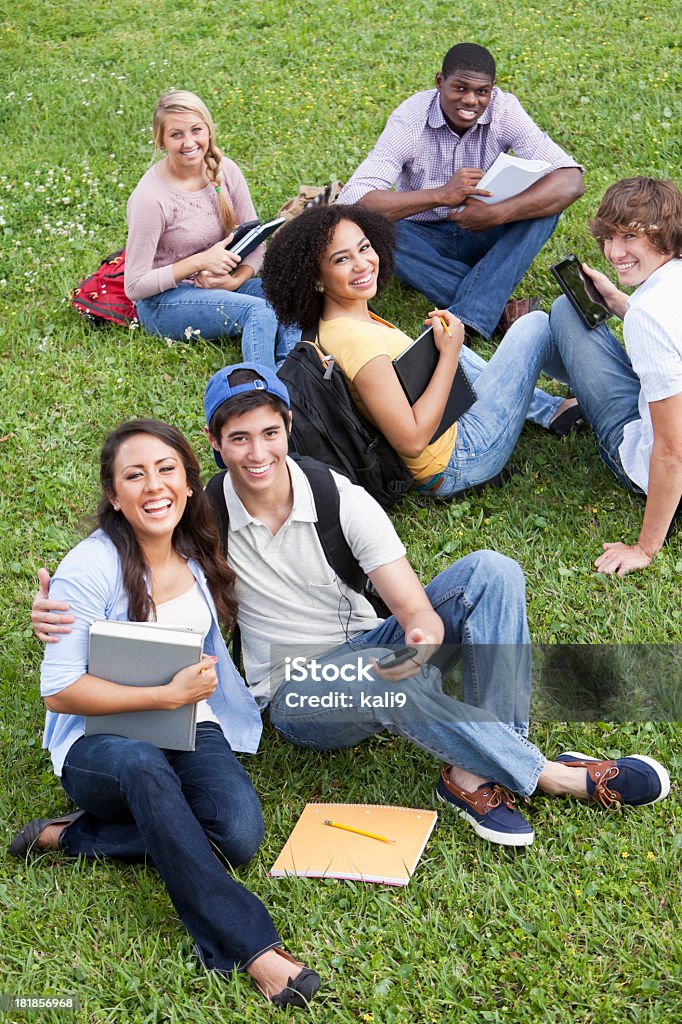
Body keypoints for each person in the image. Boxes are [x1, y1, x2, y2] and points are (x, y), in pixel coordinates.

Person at [31, 373, 670, 849]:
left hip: (373, 643)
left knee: (492, 571)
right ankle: (556, 777)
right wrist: (55, 607)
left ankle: (476, 772)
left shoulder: (342, 499)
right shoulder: (200, 511)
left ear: (288, 427)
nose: (257, 453)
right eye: (238, 439)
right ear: (215, 444)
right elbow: (123, 556)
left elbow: (416, 611)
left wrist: (419, 642)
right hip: (294, 691)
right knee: (368, 677)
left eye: (270, 433)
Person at [11, 420, 320, 1010]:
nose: (154, 487)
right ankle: (250, 946)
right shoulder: (91, 567)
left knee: (237, 832)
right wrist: (163, 697)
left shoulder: (199, 545)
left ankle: (75, 837)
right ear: (114, 495)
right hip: (101, 745)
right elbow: (61, 692)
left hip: (188, 725)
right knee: (145, 768)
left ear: (188, 482)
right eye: (135, 475)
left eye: (167, 470)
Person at [262, 202, 582, 498]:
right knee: (534, 326)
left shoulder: (334, 320)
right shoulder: (358, 342)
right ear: (316, 277)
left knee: (444, 342)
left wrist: (444, 350)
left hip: (444, 434)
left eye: (364, 248)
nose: (363, 264)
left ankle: (550, 410)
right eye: (342, 259)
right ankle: (593, 396)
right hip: (458, 460)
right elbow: (412, 441)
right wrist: (449, 355)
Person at [338, 42, 584, 340]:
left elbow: (571, 179)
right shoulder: (410, 120)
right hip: (420, 235)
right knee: (370, 230)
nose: (471, 100)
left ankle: (466, 313)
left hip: (483, 228)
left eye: (482, 91)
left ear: (492, 91)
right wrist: (442, 194)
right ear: (440, 82)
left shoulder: (504, 110)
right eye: (460, 88)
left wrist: (497, 213)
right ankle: (491, 310)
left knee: (545, 208)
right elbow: (352, 202)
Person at [547, 177, 682, 576]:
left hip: (652, 463)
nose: (614, 252)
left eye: (629, 237)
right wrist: (622, 303)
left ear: (666, 237)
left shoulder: (650, 313)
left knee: (562, 311)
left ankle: (550, 405)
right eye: (608, 238)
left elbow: (672, 451)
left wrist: (645, 548)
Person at [124, 90, 297, 368]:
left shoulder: (225, 170)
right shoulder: (150, 198)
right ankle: (267, 389)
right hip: (166, 300)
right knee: (258, 310)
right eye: (176, 134)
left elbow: (257, 243)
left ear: (208, 130)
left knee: (290, 290)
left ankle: (293, 372)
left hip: (219, 283)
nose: (189, 142)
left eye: (196, 130)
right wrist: (200, 261)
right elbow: (134, 286)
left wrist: (235, 280)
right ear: (161, 140)